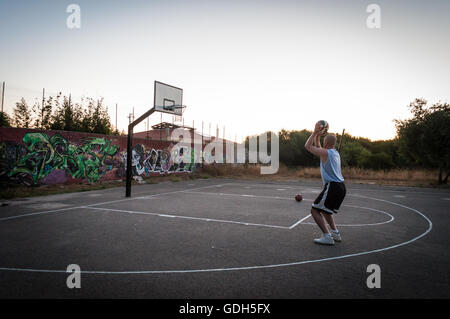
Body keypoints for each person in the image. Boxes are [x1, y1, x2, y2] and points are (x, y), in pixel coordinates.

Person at [304, 122, 346, 245]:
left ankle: (327, 236)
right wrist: (318, 137)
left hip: (332, 186)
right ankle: (335, 233)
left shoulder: (326, 153)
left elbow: (307, 146)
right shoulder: (334, 153)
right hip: (341, 187)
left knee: (315, 210)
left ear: (326, 142)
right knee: (327, 211)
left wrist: (314, 132)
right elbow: (318, 146)